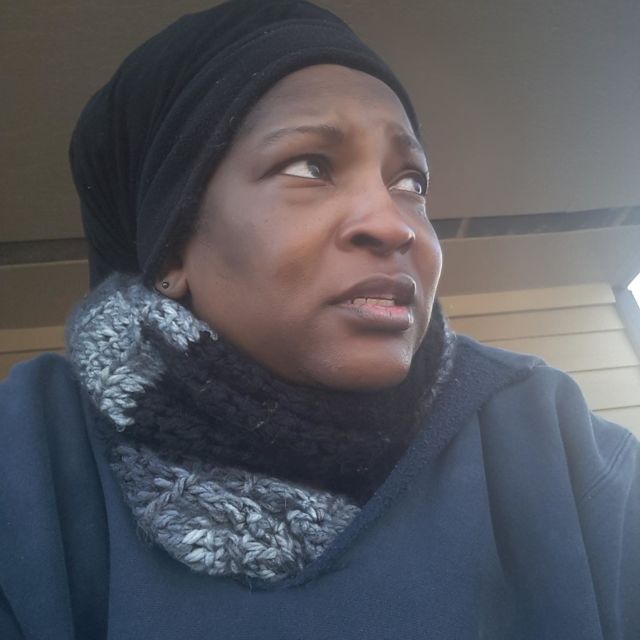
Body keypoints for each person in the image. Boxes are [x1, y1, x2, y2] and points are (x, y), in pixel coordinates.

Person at [0, 1, 638, 638]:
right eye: (310, 166)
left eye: (410, 183)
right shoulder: (35, 454)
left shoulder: (545, 438)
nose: (393, 224)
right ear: (169, 249)